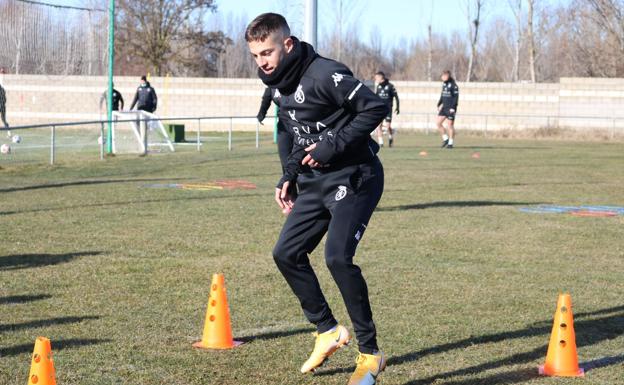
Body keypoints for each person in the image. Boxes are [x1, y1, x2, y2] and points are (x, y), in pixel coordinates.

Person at [246, 13, 387, 385]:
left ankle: (371, 354)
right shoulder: (276, 84)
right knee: (286, 253)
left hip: (356, 176)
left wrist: (332, 145)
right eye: (256, 55)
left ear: (287, 45)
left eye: (267, 52)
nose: (262, 61)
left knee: (338, 258)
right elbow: (298, 135)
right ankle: (327, 330)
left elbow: (375, 107)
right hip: (316, 181)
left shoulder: (324, 73)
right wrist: (289, 175)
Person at [257, 86, 293, 172]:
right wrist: (261, 114)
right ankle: (288, 183)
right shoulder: (273, 84)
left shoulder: (297, 80)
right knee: (285, 162)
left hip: (302, 125)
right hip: (284, 126)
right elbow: (266, 98)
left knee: (303, 162)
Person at [373, 71, 399, 147]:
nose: (375, 79)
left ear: (381, 77)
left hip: (388, 109)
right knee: (379, 126)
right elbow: (375, 97)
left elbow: (396, 97)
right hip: (380, 110)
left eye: (376, 78)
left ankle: (391, 138)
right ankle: (381, 143)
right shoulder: (378, 86)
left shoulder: (390, 86)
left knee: (388, 127)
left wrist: (398, 107)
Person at [436, 70, 459, 148]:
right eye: (442, 76)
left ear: (447, 76)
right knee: (438, 123)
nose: (442, 77)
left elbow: (456, 98)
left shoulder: (454, 85)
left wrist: (453, 108)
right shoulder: (444, 84)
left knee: (450, 126)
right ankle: (445, 139)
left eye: (443, 76)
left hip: (450, 109)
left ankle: (450, 143)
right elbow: (442, 95)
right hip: (444, 108)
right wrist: (439, 103)